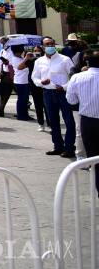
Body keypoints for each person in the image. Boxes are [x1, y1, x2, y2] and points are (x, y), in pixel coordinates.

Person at [33, 36, 76, 159]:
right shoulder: (39, 61)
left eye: (52, 44)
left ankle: (69, 147)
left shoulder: (65, 59)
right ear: (42, 46)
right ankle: (58, 146)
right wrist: (41, 82)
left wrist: (64, 87)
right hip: (47, 93)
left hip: (63, 93)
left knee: (69, 121)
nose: (50, 46)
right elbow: (34, 77)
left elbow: (73, 77)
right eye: (47, 44)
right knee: (53, 121)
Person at [65, 52, 99, 193]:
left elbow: (71, 100)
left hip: (88, 121)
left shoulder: (77, 77)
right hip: (88, 119)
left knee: (94, 159)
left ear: (87, 63)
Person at [20, 47, 46, 130]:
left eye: (38, 51)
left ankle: (50, 122)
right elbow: (20, 67)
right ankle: (41, 123)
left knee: (47, 105)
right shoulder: (31, 60)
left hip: (46, 84)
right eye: (35, 51)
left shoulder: (46, 59)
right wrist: (26, 58)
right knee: (38, 105)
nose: (36, 52)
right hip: (34, 85)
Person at [0, 39, 16, 116]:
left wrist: (8, 62)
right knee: (3, 92)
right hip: (4, 73)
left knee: (10, 92)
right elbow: (0, 62)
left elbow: (16, 61)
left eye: (3, 43)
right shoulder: (2, 51)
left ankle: (1, 109)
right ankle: (1, 110)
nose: (2, 44)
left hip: (12, 73)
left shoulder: (13, 50)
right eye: (1, 43)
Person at [12, 44, 33, 121]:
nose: (21, 53)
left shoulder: (20, 58)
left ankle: (25, 114)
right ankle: (21, 115)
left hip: (25, 81)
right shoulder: (14, 59)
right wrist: (26, 59)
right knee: (21, 99)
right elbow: (20, 67)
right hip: (20, 81)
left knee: (25, 99)